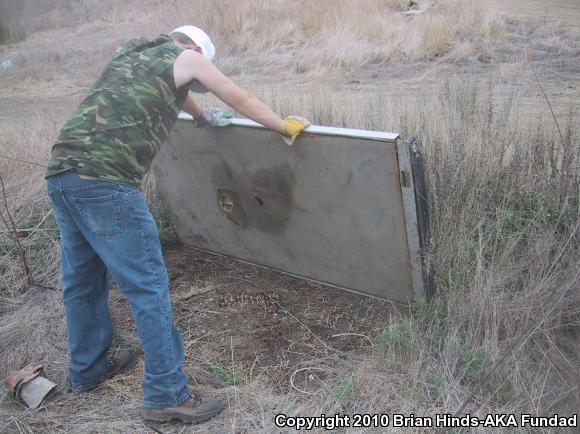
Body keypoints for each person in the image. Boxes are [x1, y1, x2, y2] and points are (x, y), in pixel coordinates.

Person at [45, 25, 309, 424]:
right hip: (106, 181)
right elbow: (242, 97)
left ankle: (88, 369)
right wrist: (280, 125)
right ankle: (166, 394)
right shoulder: (187, 57)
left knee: (81, 281)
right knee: (147, 286)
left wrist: (203, 117)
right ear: (196, 50)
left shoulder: (133, 52)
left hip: (64, 173)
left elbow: (176, 95)